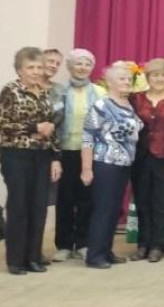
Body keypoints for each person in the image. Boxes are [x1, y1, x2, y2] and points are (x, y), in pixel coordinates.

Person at [2, 48, 63, 275]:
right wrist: (33, 127)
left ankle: (33, 257)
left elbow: (51, 127)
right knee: (19, 207)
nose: (36, 71)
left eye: (39, 67)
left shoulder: (44, 92)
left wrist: (55, 157)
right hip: (16, 154)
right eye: (31, 67)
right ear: (19, 70)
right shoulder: (11, 90)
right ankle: (16, 260)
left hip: (42, 155)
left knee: (38, 207)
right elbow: (3, 124)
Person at [81, 62, 143, 269]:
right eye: (121, 79)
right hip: (105, 163)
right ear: (109, 83)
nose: (126, 82)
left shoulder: (128, 104)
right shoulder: (101, 105)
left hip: (124, 164)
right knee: (103, 209)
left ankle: (106, 250)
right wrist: (87, 168)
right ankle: (95, 255)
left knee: (114, 209)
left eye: (128, 79)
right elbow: (88, 137)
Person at [129, 58, 164, 262]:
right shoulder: (135, 99)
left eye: (163, 75)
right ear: (148, 77)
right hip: (140, 157)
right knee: (142, 201)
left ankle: (158, 244)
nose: (159, 79)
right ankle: (143, 244)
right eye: (155, 75)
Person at [51, 48, 104, 262]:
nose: (82, 68)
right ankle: (63, 244)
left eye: (87, 64)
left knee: (87, 198)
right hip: (65, 151)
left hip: (91, 152)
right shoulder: (59, 91)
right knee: (65, 198)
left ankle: (83, 243)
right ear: (70, 66)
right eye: (78, 63)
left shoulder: (100, 92)